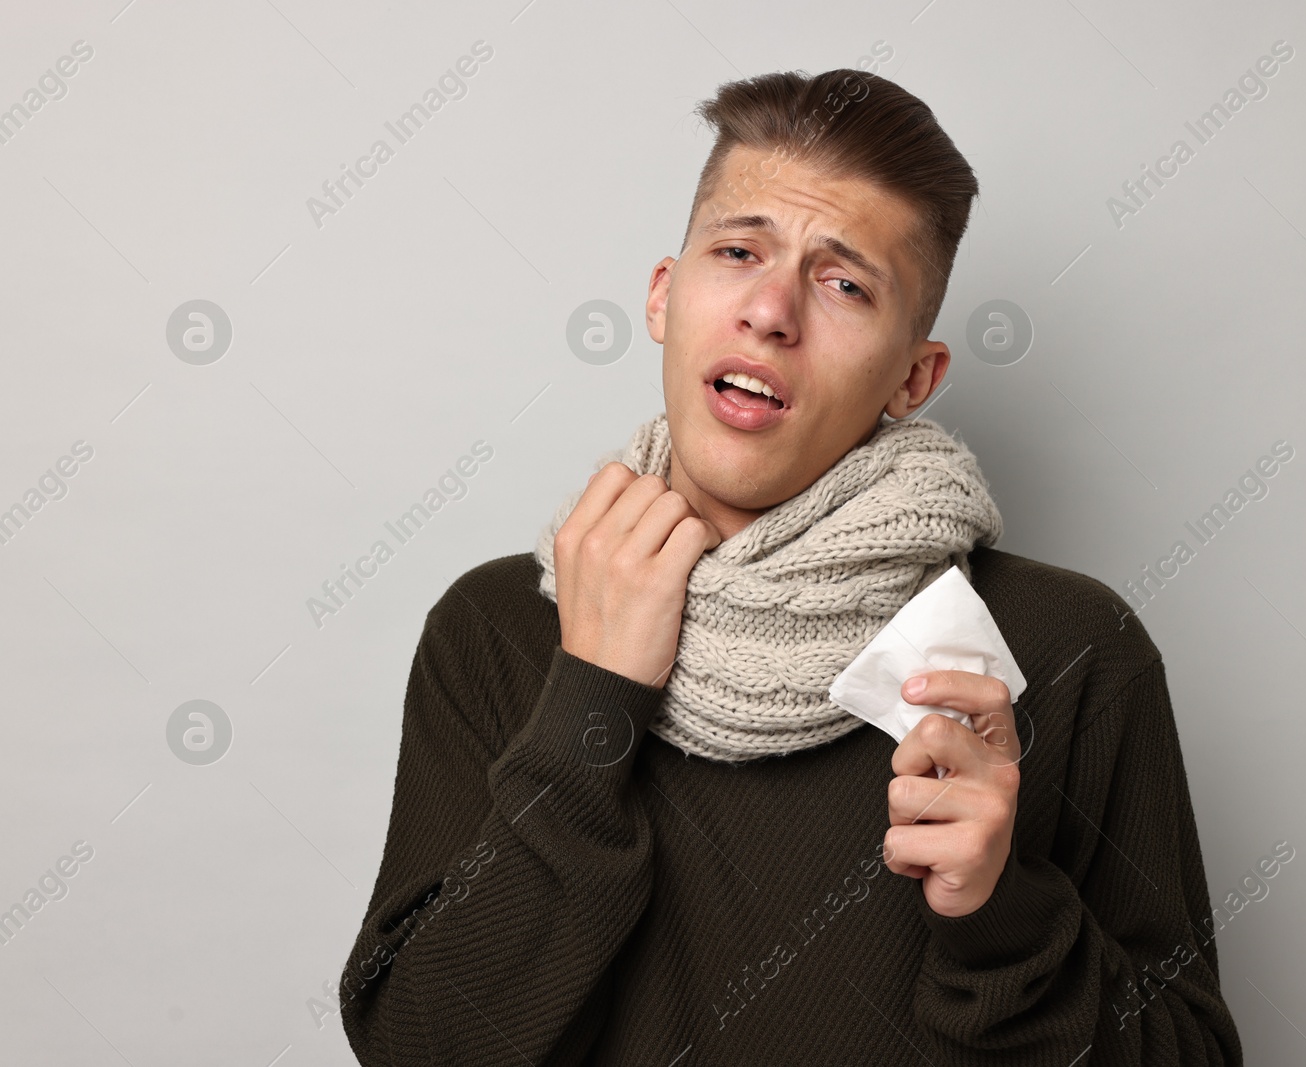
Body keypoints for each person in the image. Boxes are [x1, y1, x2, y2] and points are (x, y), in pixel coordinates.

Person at [339, 68, 1244, 1065]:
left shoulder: (1069, 650)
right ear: (664, 295)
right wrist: (590, 704)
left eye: (843, 282)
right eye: (738, 251)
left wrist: (1002, 915)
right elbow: (420, 1048)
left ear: (912, 377)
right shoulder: (502, 626)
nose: (772, 309)